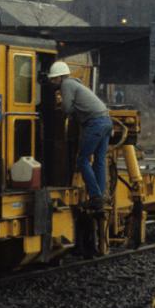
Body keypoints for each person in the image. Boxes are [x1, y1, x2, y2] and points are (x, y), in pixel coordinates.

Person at [47, 61, 113, 209]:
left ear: (60, 77)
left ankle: (95, 196)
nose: (53, 82)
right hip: (106, 121)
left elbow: (67, 108)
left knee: (82, 160)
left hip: (95, 123)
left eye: (53, 79)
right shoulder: (77, 84)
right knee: (99, 161)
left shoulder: (66, 85)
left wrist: (58, 106)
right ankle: (100, 197)